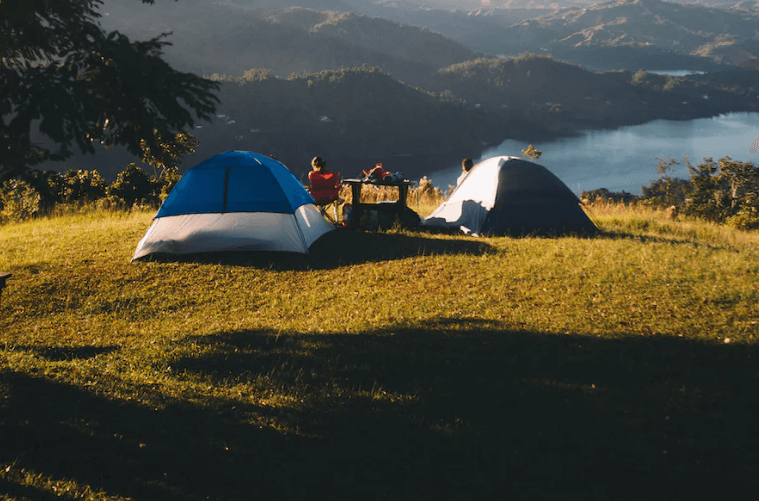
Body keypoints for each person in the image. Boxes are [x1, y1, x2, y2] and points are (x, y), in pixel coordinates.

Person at [308, 156, 341, 221]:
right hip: (330, 197)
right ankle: (335, 220)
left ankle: (312, 219)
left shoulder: (312, 174)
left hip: (316, 198)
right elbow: (336, 186)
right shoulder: (332, 175)